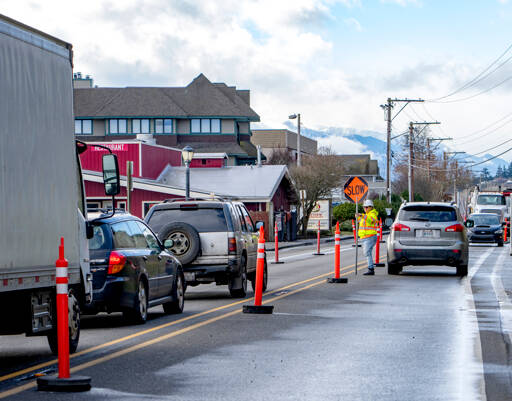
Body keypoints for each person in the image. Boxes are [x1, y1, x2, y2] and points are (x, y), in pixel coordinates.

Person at [355, 199, 379, 275]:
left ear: (371, 207)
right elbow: (362, 223)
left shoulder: (373, 214)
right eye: (364, 207)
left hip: (370, 236)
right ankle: (371, 268)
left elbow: (371, 220)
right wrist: (358, 217)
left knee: (367, 252)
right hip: (365, 237)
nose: (365, 208)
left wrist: (362, 215)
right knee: (367, 253)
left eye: (367, 207)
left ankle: (371, 269)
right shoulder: (366, 215)